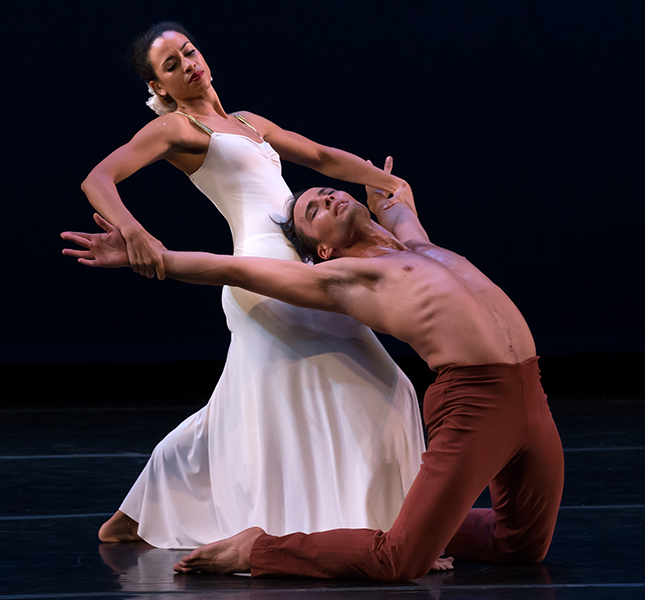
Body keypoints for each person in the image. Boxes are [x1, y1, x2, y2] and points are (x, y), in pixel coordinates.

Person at [62, 156, 564, 582]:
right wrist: (156, 258)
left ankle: (413, 518)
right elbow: (234, 269)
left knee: (520, 545)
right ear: (321, 251)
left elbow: (394, 196)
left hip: (531, 392)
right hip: (475, 403)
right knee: (402, 558)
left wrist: (382, 186)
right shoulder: (347, 277)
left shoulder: (411, 242)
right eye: (314, 210)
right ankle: (258, 548)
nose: (327, 198)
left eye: (326, 193)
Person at [77, 21, 425, 549]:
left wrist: (385, 182)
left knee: (243, 403)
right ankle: (381, 531)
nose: (188, 63)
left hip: (304, 266)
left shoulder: (247, 122)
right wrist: (134, 231)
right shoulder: (178, 129)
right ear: (159, 89)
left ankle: (141, 508)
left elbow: (322, 157)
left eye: (188, 51)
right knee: (374, 386)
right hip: (261, 275)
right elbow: (98, 178)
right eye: (171, 65)